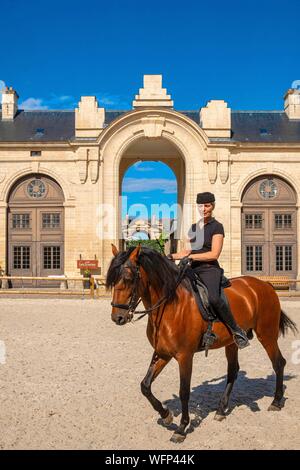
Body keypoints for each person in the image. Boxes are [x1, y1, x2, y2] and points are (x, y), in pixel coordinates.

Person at [168, 191, 249, 349]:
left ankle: (236, 331)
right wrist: (170, 256)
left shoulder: (217, 227)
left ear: (212, 206)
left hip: (209, 268)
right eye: (201, 206)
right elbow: (187, 251)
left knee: (213, 298)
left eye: (207, 205)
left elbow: (214, 253)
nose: (204, 209)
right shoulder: (193, 228)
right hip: (192, 268)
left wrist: (192, 258)